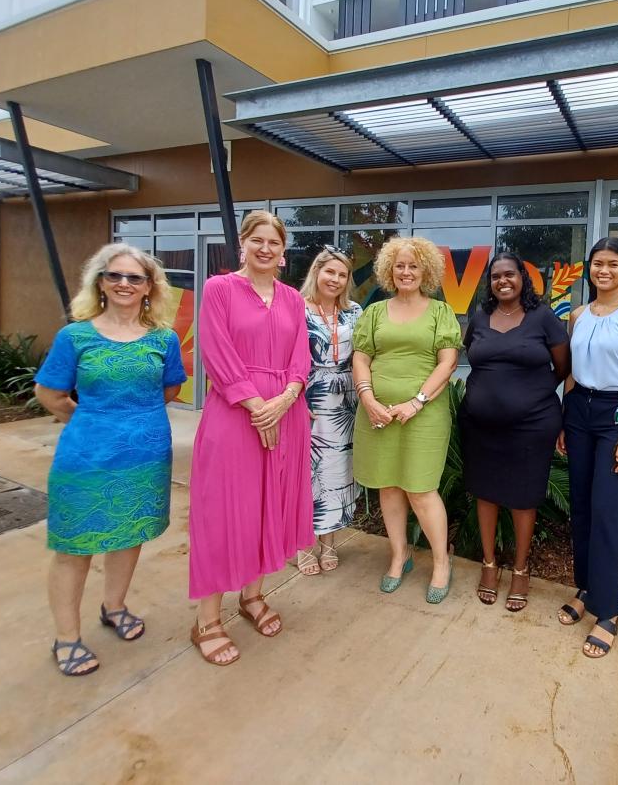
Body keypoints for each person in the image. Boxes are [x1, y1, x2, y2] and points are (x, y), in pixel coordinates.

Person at [34, 243, 186, 677]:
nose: (124, 284)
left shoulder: (164, 339)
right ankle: (66, 637)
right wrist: (88, 420)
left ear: (149, 287)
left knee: (129, 533)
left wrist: (131, 421)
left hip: (145, 456)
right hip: (85, 457)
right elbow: (50, 393)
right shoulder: (75, 336)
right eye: (114, 275)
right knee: (73, 546)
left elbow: (170, 389)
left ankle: (114, 607)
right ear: (100, 282)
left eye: (134, 278)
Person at [188, 210, 313, 666]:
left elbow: (301, 356)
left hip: (287, 412)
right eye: (256, 240)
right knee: (224, 512)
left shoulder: (293, 300)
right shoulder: (219, 289)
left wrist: (285, 399)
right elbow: (215, 351)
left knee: (269, 507)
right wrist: (255, 405)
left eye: (274, 243)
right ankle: (207, 618)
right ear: (242, 244)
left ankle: (252, 595)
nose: (265, 248)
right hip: (235, 415)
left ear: (283, 253)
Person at [556, 237, 618, 658]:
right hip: (579, 410)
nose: (605, 271)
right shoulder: (576, 315)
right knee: (580, 506)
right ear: (589, 269)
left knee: (608, 510)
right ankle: (586, 589)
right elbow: (572, 375)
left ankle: (609, 611)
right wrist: (564, 421)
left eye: (613, 264)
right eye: (598, 263)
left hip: (616, 415)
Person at [351, 236, 461, 603]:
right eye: (399, 265)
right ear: (389, 270)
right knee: (388, 485)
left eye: (413, 265)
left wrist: (416, 401)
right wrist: (368, 398)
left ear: (426, 270)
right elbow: (361, 358)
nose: (406, 271)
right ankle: (400, 555)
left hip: (424, 414)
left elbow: (448, 362)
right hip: (377, 412)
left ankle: (442, 563)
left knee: (421, 488)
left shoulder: (440, 313)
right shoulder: (374, 313)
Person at [459, 252, 570, 612]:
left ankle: (520, 569)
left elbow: (563, 367)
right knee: (486, 493)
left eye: (509, 274)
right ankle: (490, 564)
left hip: (532, 425)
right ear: (490, 283)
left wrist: (528, 395)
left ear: (523, 277)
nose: (502, 281)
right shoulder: (480, 317)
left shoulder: (544, 318)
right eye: (495, 277)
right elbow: (471, 355)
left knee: (524, 497)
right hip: (480, 426)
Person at [297, 245, 362, 575]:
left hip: (345, 402)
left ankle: (329, 542)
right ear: (316, 273)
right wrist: (294, 399)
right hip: (308, 398)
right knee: (308, 473)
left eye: (342, 274)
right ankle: (304, 544)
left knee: (338, 472)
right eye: (329, 272)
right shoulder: (296, 308)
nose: (335, 279)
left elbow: (364, 357)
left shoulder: (355, 312)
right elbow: (285, 357)